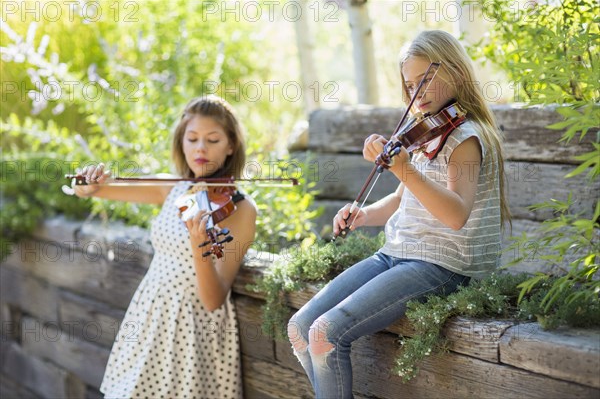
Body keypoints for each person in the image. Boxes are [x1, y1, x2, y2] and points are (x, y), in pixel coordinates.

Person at [287, 30, 510, 398]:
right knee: (300, 328)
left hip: (444, 265)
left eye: (424, 80)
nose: (415, 93)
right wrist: (363, 213)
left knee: (325, 333)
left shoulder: (465, 138)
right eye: (408, 85)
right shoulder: (424, 132)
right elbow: (401, 199)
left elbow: (456, 214)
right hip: (396, 254)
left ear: (454, 72)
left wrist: (404, 169)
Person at [73, 95, 257, 398]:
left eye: (212, 140)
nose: (200, 148)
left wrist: (201, 245)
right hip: (151, 313)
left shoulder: (241, 208)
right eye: (192, 138)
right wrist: (87, 183)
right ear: (181, 142)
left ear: (231, 145)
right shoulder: (174, 187)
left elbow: (213, 299)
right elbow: (93, 190)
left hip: (193, 327)